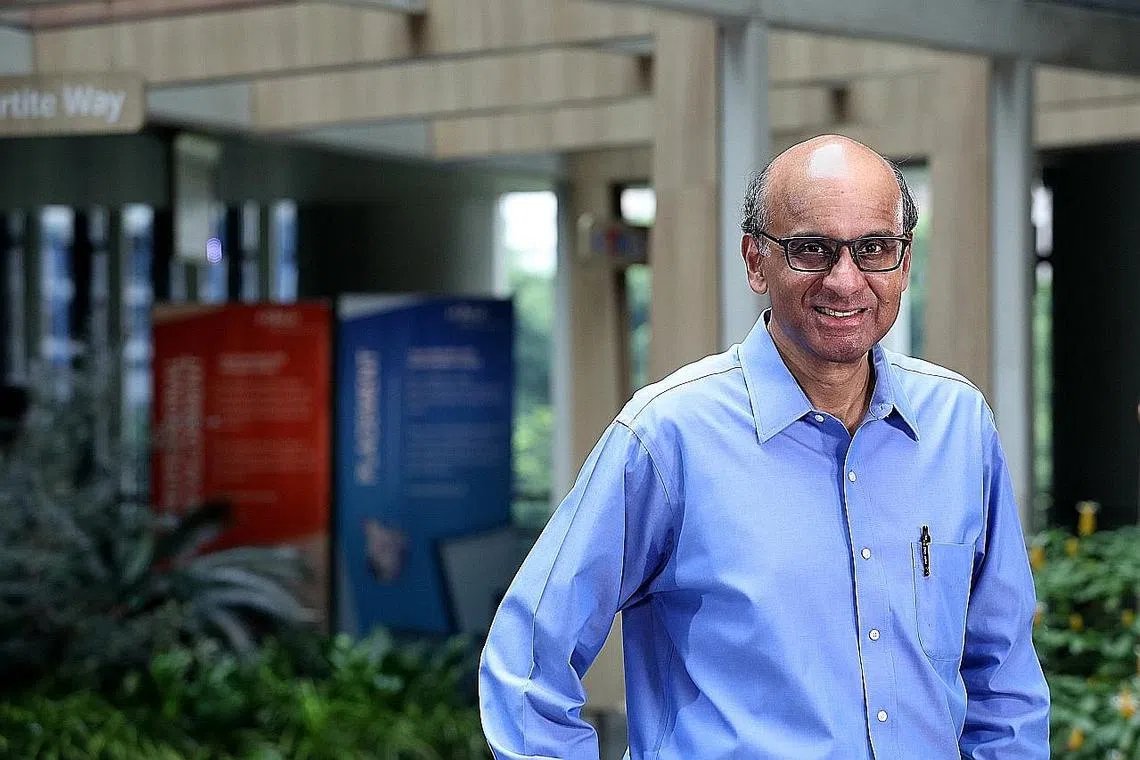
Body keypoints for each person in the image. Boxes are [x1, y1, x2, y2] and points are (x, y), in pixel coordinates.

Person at [478, 135, 1050, 758]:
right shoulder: (668, 436)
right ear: (755, 260)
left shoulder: (958, 425)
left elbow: (1004, 678)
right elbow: (526, 661)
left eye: (874, 249)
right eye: (811, 249)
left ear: (905, 261)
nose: (845, 280)